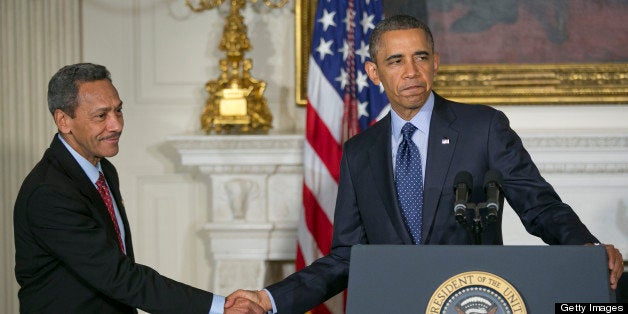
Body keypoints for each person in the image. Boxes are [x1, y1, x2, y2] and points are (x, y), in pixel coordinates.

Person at [224, 15, 624, 313]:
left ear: (436, 62)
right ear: (374, 72)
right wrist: (270, 298)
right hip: (396, 305)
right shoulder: (359, 151)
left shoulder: (482, 127)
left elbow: (539, 206)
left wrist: (586, 251)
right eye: (395, 61)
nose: (411, 72)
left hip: (475, 302)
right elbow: (347, 255)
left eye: (420, 57)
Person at [13, 63, 263, 314]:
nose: (116, 125)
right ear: (63, 120)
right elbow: (119, 276)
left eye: (118, 111)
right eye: (101, 116)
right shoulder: (49, 192)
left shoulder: (104, 170)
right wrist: (218, 308)